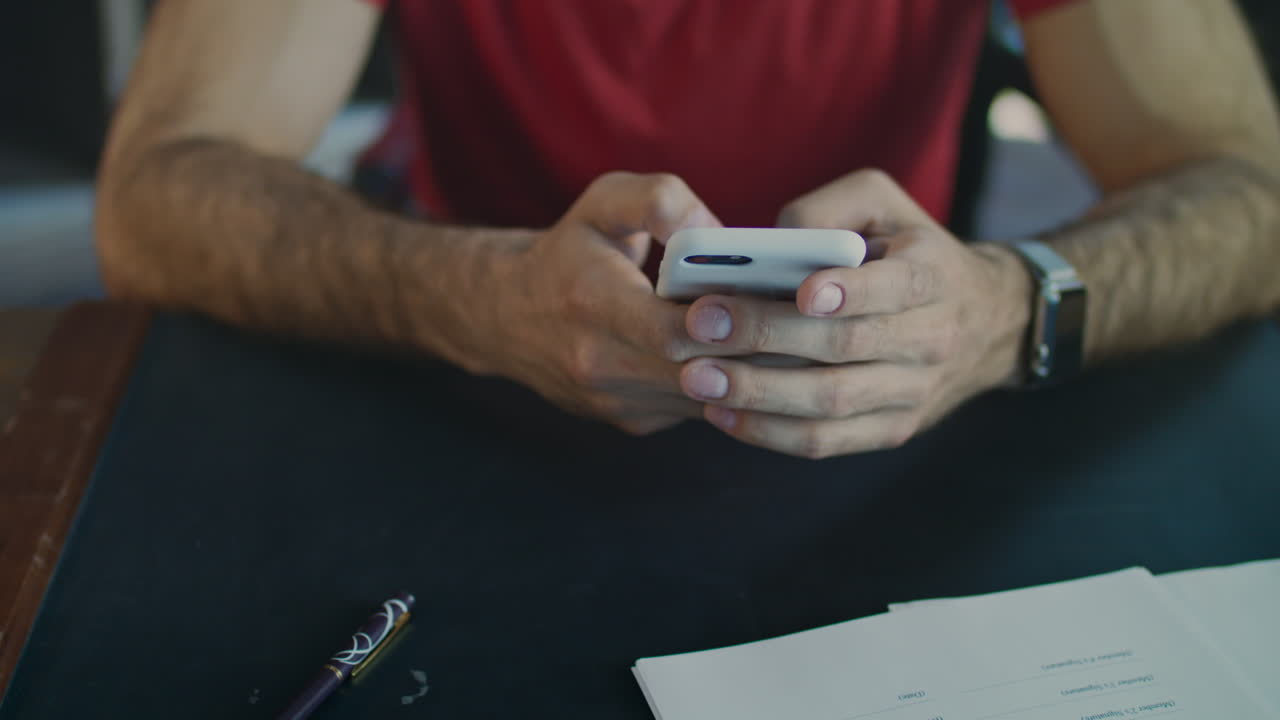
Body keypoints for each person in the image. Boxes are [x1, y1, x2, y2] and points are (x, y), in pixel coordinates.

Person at [96, 0, 1280, 459]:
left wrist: (1006, 308)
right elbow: (150, 197)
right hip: (465, 396)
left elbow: (1250, 194)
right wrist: (468, 291)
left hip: (910, 414)